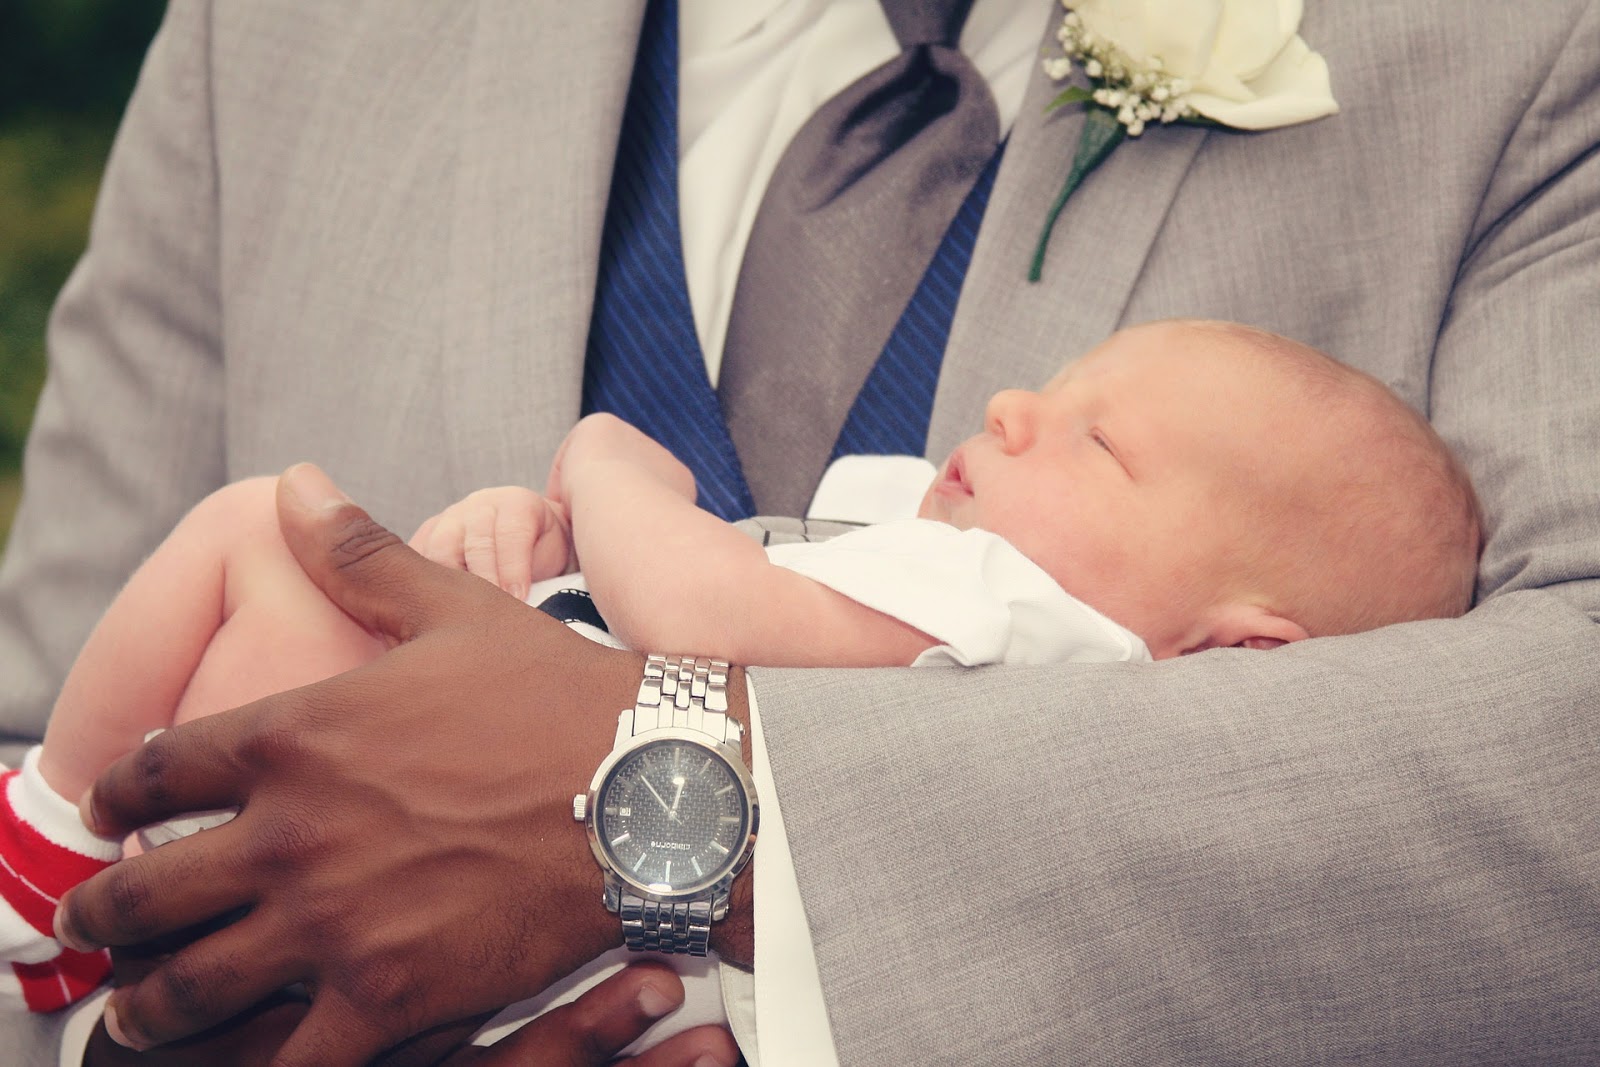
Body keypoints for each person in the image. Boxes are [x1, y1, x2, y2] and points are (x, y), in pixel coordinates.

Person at [1, 2, 1597, 1065]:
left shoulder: (1529, 42)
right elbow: (49, 696)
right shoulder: (275, 33)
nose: (1026, 417)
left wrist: (665, 816)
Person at [1, 319, 1481, 1021]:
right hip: (403, 916)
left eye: (1104, 441)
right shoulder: (935, 572)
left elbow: (696, 609)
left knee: (262, 528)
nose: (1021, 404)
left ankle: (52, 831)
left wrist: (604, 463)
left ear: (1231, 647)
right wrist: (505, 553)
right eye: (1060, 384)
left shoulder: (1022, 621)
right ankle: (68, 894)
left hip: (428, 901)